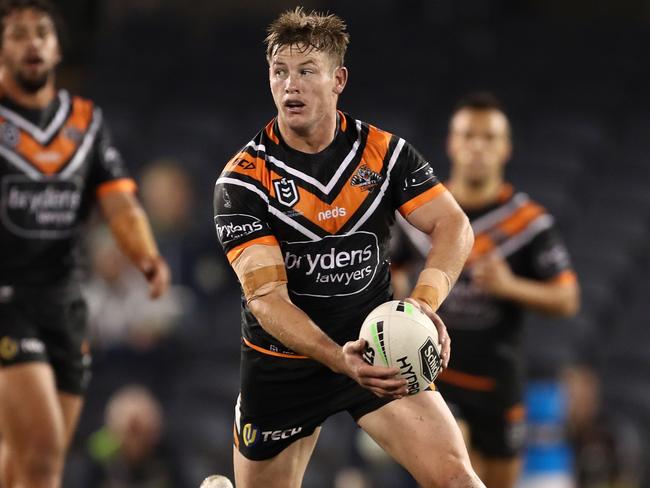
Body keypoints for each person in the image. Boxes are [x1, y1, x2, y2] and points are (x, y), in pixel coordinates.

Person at [213, 7, 485, 488]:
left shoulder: (385, 154)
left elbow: (453, 224)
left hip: (379, 350)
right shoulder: (242, 181)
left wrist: (421, 306)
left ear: (338, 79)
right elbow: (266, 298)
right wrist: (340, 359)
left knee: (459, 480)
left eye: (306, 71)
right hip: (284, 367)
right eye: (280, 72)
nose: (290, 85)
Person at [0, 1, 170, 487]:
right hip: (10, 299)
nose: (32, 42)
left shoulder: (86, 122)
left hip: (65, 304)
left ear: (57, 49)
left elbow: (118, 201)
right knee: (43, 444)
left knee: (28, 454)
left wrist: (146, 256)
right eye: (18, 34)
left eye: (42, 33)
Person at [392, 92, 580, 488]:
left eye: (489, 137)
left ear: (505, 148)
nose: (477, 146)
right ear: (451, 142)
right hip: (436, 376)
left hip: (498, 379)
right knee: (456, 472)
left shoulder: (529, 223)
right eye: (468, 134)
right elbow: (388, 267)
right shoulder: (420, 216)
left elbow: (567, 299)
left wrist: (511, 286)